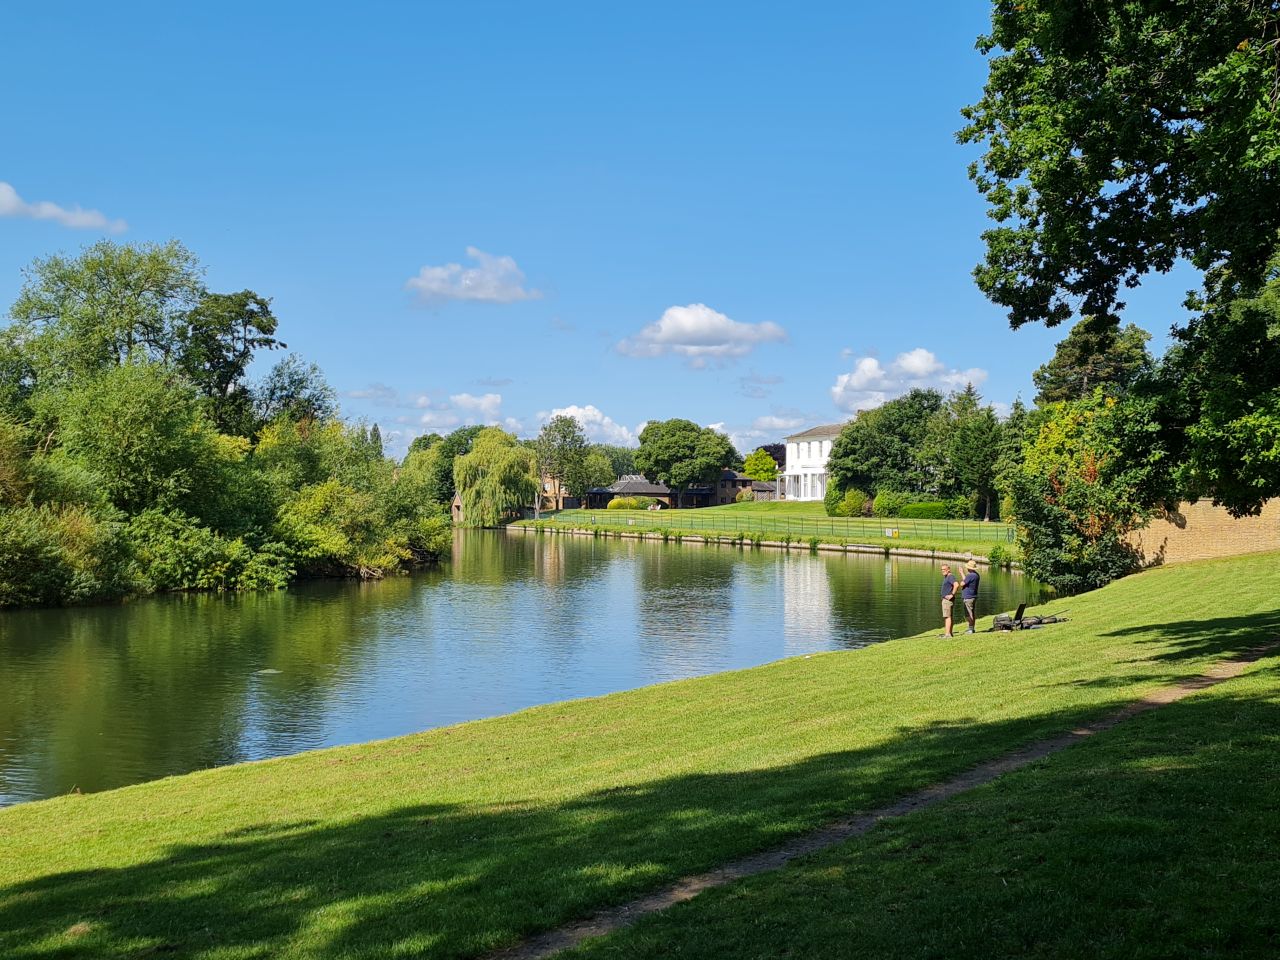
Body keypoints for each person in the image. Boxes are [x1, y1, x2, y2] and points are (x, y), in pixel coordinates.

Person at [960, 558, 981, 634]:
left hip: (968, 597)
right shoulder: (976, 575)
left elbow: (962, 583)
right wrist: (962, 573)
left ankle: (971, 629)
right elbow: (966, 581)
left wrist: (962, 574)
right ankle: (971, 628)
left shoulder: (970, 575)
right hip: (973, 596)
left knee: (969, 614)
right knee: (971, 612)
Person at [939, 563, 959, 637]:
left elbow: (956, 585)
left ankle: (947, 634)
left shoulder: (950, 577)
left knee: (947, 616)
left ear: (948, 569)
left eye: (944, 569)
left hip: (947, 600)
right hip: (946, 600)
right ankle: (949, 633)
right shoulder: (947, 577)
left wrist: (952, 594)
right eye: (942, 570)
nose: (942, 571)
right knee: (949, 616)